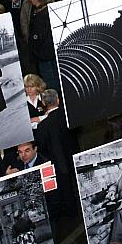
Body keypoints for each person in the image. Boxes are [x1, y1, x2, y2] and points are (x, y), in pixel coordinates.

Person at [34, 89, 80, 218]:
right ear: (58, 100)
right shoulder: (69, 117)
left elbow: (41, 147)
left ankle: (74, 216)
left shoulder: (42, 127)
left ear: (43, 103)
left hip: (59, 165)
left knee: (67, 193)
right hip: (75, 157)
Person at [28, 0, 58, 90]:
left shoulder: (39, 17)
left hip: (44, 55)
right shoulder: (51, 10)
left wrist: (34, 51)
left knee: (50, 81)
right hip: (53, 51)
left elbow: (37, 37)